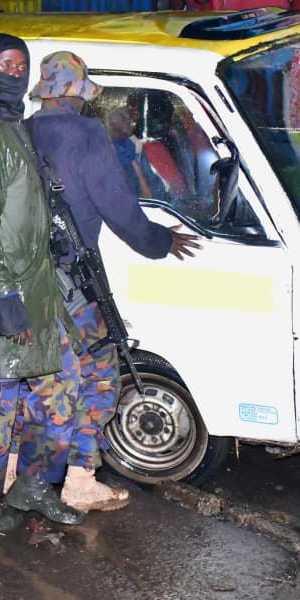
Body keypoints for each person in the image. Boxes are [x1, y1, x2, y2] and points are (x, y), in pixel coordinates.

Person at [27, 51, 202, 511]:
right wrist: (160, 242)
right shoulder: (84, 134)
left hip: (28, 284)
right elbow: (118, 206)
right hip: (74, 283)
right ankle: (80, 479)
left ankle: (14, 474)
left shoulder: (22, 132)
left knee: (40, 383)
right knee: (102, 375)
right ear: (76, 94)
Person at [0, 33, 84, 532]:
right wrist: (5, 297)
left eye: (21, 65)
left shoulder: (9, 124)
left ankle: (34, 485)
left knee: (60, 395)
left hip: (37, 293)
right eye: (3, 64)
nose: (14, 73)